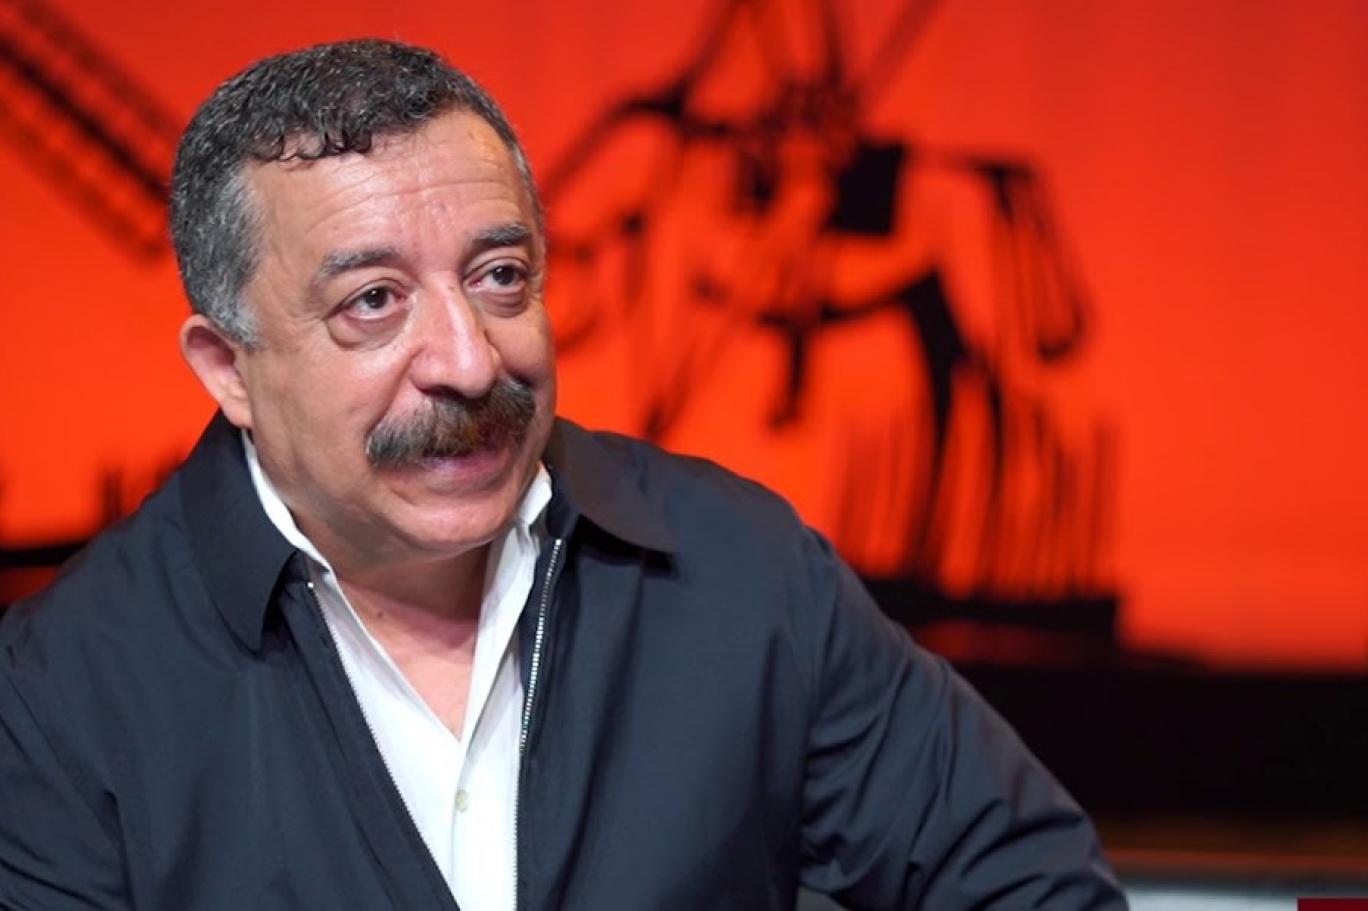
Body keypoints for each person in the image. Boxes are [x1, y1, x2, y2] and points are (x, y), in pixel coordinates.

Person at [0, 39, 1125, 910]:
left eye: (500, 275)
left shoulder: (744, 572)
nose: (468, 360)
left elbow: (1029, 885)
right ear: (228, 369)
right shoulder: (61, 692)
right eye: (374, 301)